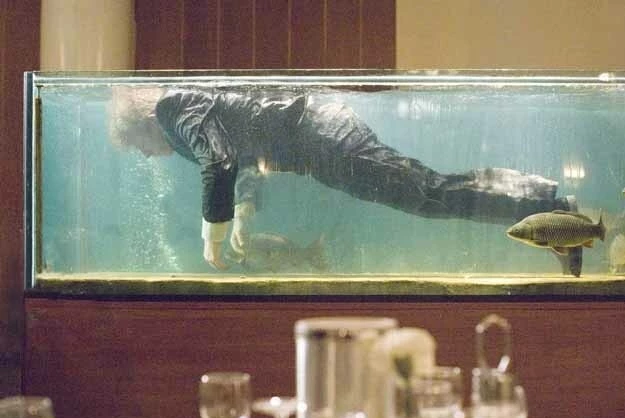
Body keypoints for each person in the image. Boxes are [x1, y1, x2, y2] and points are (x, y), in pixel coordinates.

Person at [109, 85, 574, 271]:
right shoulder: (182, 120)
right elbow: (240, 155)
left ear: (141, 122)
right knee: (430, 193)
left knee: (429, 194)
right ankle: (544, 204)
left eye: (137, 145)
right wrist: (245, 208)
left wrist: (213, 233)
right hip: (322, 139)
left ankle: (549, 208)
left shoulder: (171, 108)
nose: (145, 155)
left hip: (324, 139)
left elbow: (220, 159)